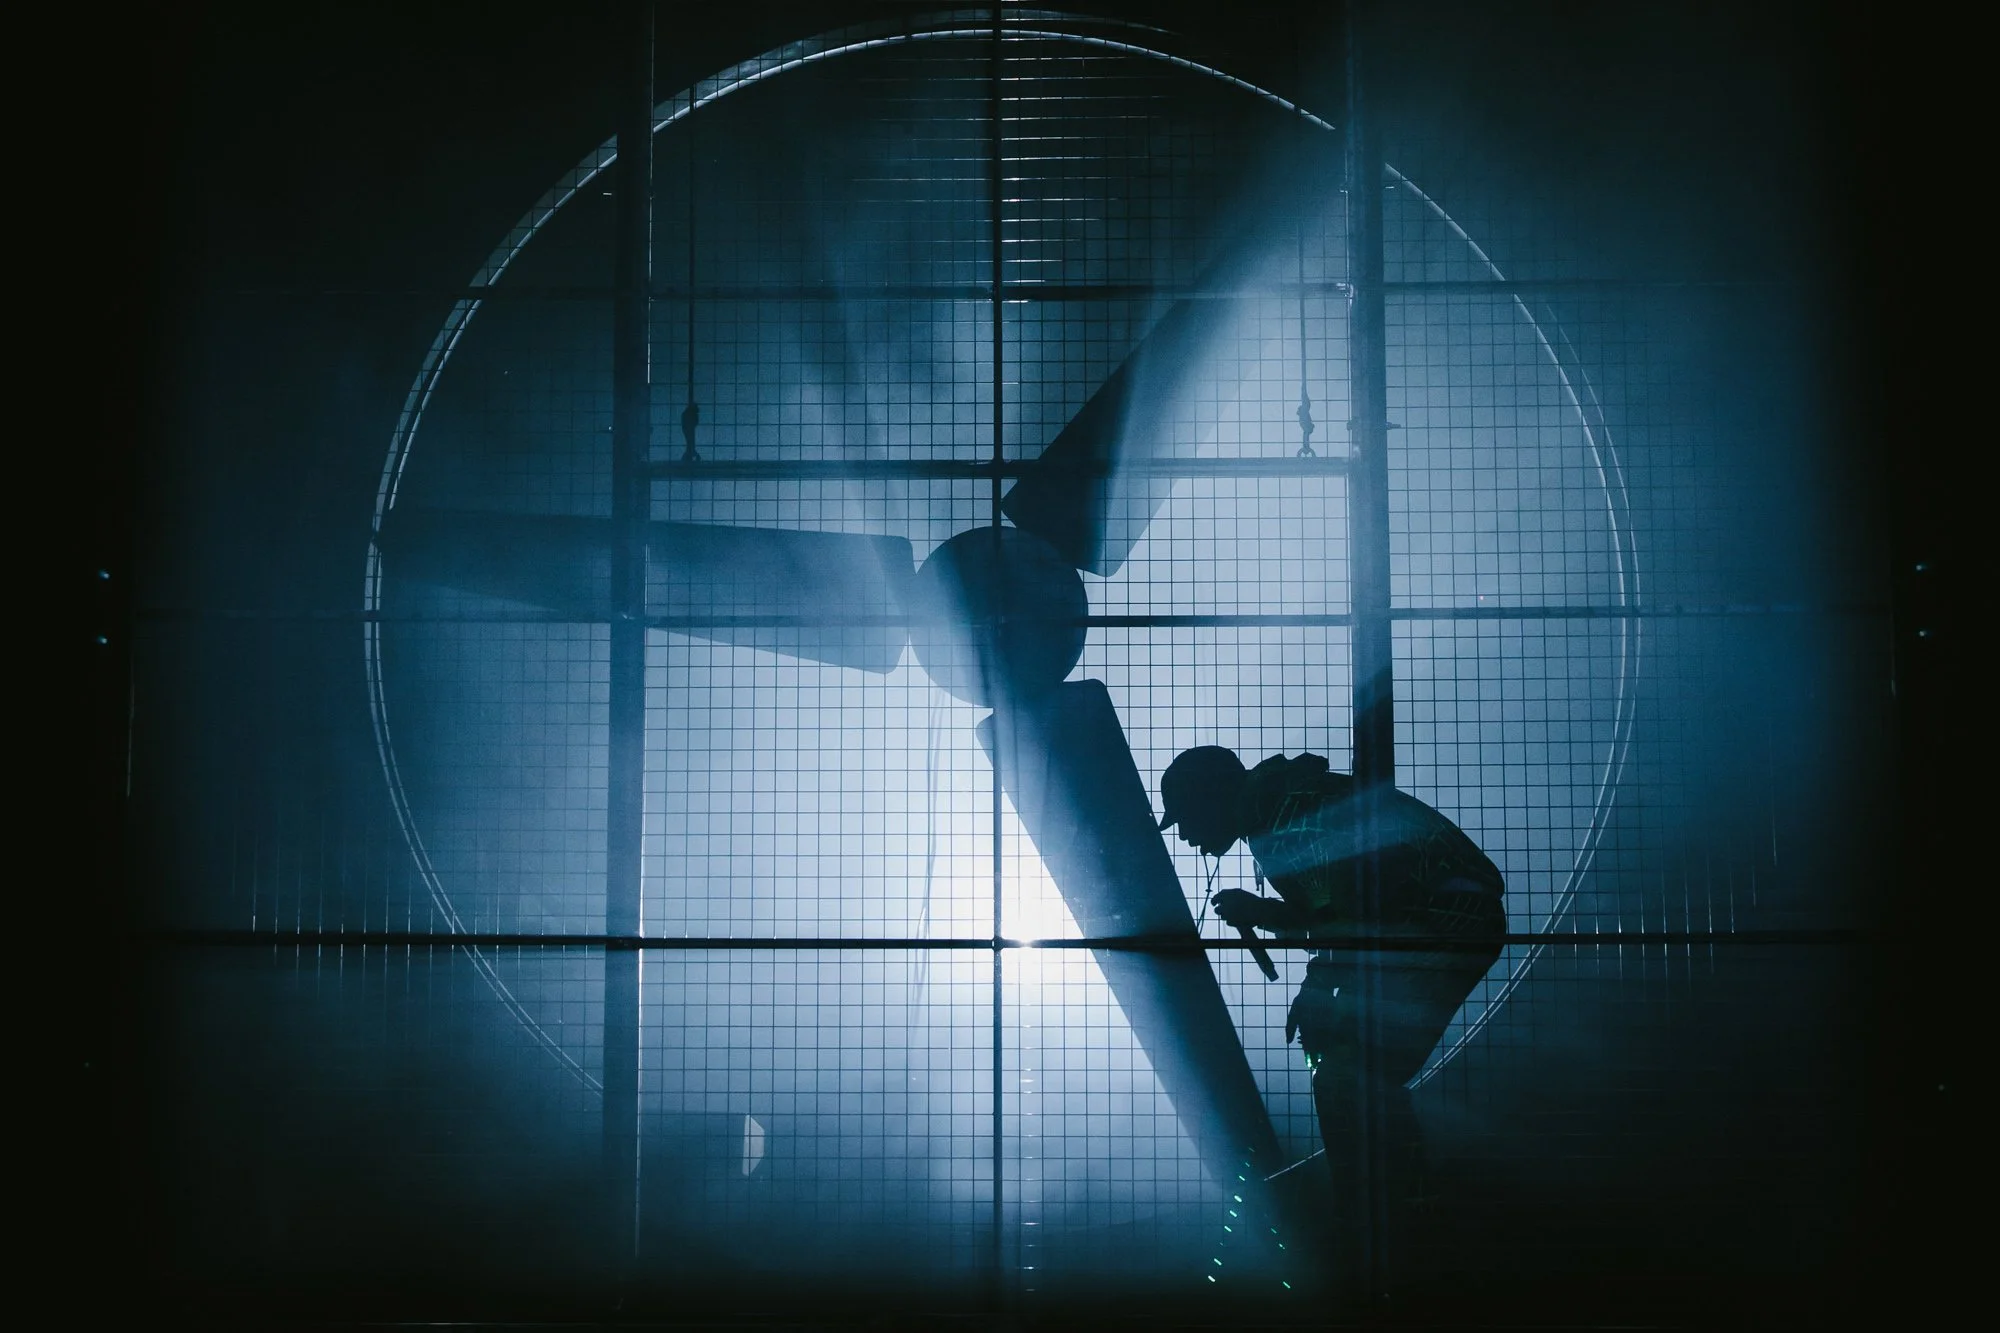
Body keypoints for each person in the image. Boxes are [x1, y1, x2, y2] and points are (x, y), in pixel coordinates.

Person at [1157, 746, 1506, 1257]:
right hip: (1434, 925)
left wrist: (1268, 919)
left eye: (1185, 819)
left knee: (1349, 1074)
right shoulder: (1280, 813)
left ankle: (1392, 1221)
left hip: (1441, 925)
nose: (1185, 835)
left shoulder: (1290, 818)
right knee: (1352, 1071)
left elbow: (1356, 919)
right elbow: (1348, 917)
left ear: (1210, 797)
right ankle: (1392, 1211)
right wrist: (1312, 980)